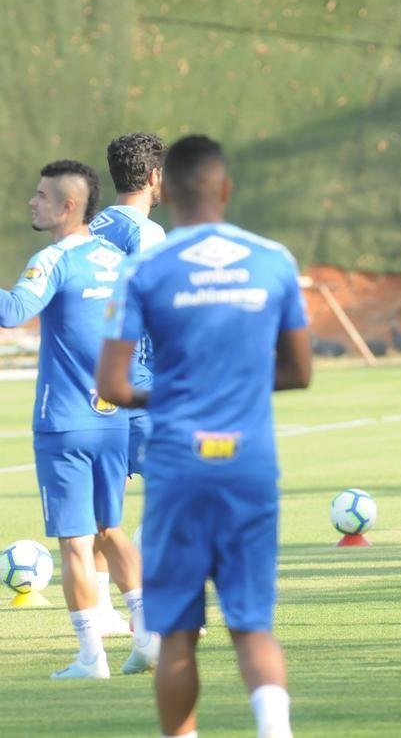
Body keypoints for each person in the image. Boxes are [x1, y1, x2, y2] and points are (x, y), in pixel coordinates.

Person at [97, 135, 311, 738]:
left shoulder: (143, 267)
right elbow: (299, 371)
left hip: (178, 464)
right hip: (247, 460)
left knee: (179, 635)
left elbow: (113, 383)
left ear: (168, 189)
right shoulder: (272, 258)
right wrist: (235, 384)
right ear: (225, 188)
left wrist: (172, 394)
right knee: (252, 626)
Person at [0, 160, 157, 678]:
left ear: (68, 205)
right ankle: (149, 635)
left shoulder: (54, 259)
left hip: (63, 422)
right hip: (112, 419)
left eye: (42, 195)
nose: (32, 201)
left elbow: (13, 311)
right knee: (111, 530)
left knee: (74, 542)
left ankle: (92, 657)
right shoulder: (117, 258)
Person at [88, 131, 168, 636]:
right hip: (135, 373)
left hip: (88, 374)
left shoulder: (89, 226)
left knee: (106, 495)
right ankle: (155, 601)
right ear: (155, 175)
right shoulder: (148, 234)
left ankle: (98, 609)